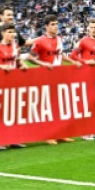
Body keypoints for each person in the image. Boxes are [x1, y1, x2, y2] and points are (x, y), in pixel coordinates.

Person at [28, 15, 80, 144]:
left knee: (59, 105)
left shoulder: (59, 39)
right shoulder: (40, 41)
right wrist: (43, 64)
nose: (56, 26)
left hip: (59, 76)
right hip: (45, 77)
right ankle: (48, 135)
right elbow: (30, 57)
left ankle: (61, 133)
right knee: (48, 106)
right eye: (52, 24)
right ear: (46, 26)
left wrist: (72, 61)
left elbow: (60, 55)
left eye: (56, 24)